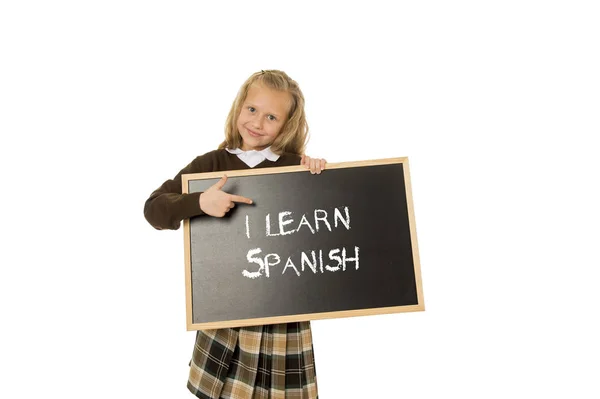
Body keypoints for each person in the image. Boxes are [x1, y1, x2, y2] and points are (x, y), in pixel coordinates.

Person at [144, 70, 325, 399]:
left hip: (283, 317)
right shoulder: (210, 164)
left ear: (286, 125)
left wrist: (317, 175)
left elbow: (326, 227)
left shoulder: (293, 166)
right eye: (252, 109)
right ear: (238, 108)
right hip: (225, 312)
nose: (257, 122)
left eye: (272, 117)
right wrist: (199, 201)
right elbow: (154, 209)